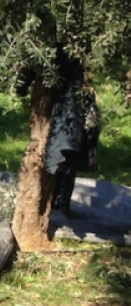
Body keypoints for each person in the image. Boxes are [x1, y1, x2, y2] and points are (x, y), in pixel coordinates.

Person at [16, 49, 100, 217]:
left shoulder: (68, 54)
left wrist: (21, 86)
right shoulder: (60, 51)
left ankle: (57, 205)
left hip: (67, 115)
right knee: (62, 157)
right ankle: (56, 205)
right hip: (65, 115)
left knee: (64, 157)